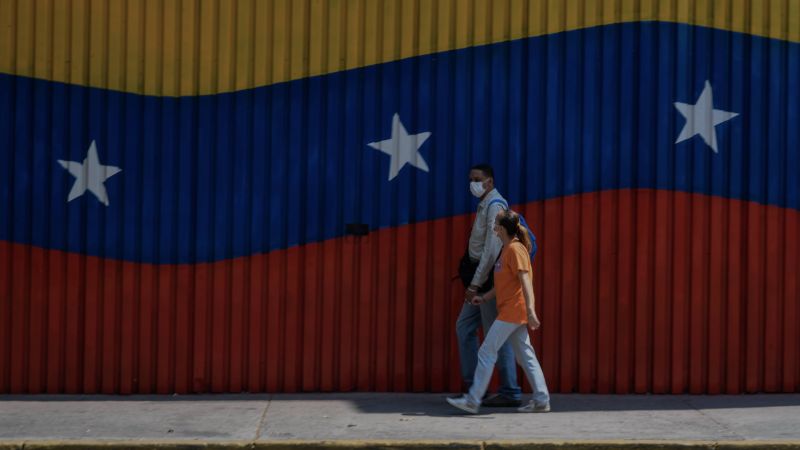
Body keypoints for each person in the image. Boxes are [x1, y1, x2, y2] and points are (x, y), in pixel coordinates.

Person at [447, 209, 550, 414]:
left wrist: (530, 310)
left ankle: (473, 400)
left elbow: (525, 281)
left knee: (486, 351)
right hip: (511, 310)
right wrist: (484, 297)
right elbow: (505, 283)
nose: (493, 226)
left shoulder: (515, 249)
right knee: (526, 355)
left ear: (501, 228)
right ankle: (541, 400)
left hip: (514, 310)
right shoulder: (506, 249)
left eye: (495, 223)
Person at [453, 164, 521, 407]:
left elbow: (491, 252)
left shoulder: (495, 206)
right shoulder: (484, 204)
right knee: (464, 327)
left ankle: (509, 391)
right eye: (471, 179)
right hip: (479, 279)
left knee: (495, 335)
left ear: (490, 182)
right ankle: (473, 387)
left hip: (487, 280)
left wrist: (475, 284)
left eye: (478, 179)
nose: (473, 183)